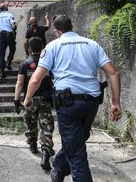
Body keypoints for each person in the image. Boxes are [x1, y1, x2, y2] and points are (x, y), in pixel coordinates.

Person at [23, 15, 122, 182]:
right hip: (91, 103)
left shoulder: (52, 46)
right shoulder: (92, 44)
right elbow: (113, 73)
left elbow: (35, 79)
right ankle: (59, 170)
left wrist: (27, 98)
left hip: (68, 104)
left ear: (56, 31)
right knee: (77, 140)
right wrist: (115, 103)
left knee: (76, 153)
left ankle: (61, 171)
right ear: (73, 25)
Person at [13, 37, 55, 171]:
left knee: (31, 123)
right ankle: (45, 152)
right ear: (42, 48)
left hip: (30, 99)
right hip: (45, 99)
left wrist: (16, 99)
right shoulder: (48, 63)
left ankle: (32, 144)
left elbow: (19, 83)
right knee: (46, 126)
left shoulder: (25, 64)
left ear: (29, 48)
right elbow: (54, 80)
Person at [0, 2, 17, 78]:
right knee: (12, 49)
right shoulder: (10, 15)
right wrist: (15, 27)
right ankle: (9, 62)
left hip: (1, 35)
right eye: (7, 6)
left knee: (1, 54)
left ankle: (2, 72)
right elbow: (13, 26)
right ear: (5, 8)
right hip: (9, 35)